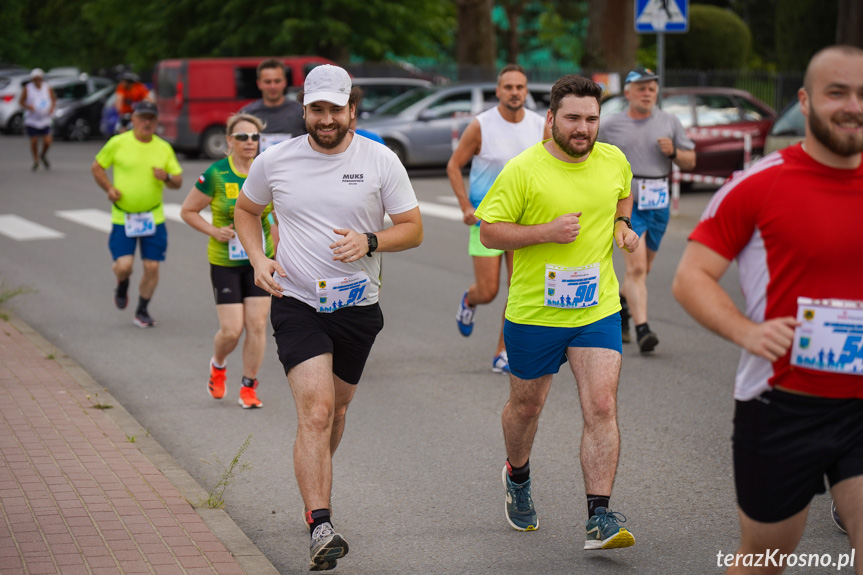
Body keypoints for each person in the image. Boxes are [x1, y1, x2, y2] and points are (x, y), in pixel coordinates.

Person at [673, 45, 863, 575]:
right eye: (837, 92)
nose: (853, 105)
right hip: (782, 405)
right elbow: (691, 277)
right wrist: (747, 331)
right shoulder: (759, 184)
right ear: (804, 101)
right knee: (765, 559)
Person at [234, 64, 423, 571]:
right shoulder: (276, 161)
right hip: (296, 302)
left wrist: (371, 240)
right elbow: (245, 211)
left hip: (358, 308)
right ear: (305, 110)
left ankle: (313, 478)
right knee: (315, 412)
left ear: (351, 110)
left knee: (336, 413)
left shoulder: (380, 160)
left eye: (335, 109)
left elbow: (413, 228)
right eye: (316, 109)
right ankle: (321, 522)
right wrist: (258, 259)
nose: (326, 118)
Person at [474, 74, 639, 550]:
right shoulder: (524, 170)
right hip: (534, 313)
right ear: (551, 119)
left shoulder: (613, 160)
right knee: (527, 407)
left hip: (597, 308)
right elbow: (489, 232)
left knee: (602, 406)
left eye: (591, 118)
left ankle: (599, 517)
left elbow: (622, 192)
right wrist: (543, 231)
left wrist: (623, 224)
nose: (583, 128)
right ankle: (518, 475)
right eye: (573, 118)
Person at [447, 64, 549, 374]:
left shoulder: (539, 125)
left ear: (526, 90)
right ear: (498, 91)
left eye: (520, 87)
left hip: (524, 221)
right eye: (509, 87)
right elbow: (454, 166)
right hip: (486, 219)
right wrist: (465, 205)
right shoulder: (481, 125)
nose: (515, 92)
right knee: (489, 290)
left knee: (517, 290)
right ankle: (470, 299)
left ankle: (503, 351)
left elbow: (550, 169)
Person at [598, 66, 695, 353]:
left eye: (652, 88)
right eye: (641, 88)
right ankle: (644, 330)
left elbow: (691, 161)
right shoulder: (610, 125)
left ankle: (622, 305)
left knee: (644, 269)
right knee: (637, 267)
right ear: (628, 93)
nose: (647, 93)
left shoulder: (670, 121)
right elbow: (588, 154)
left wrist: (674, 153)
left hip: (658, 203)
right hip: (628, 203)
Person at [180, 113, 274, 409]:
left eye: (255, 137)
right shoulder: (216, 173)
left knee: (257, 325)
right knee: (232, 330)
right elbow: (188, 211)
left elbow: (279, 216)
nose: (250, 143)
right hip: (226, 261)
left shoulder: (268, 171)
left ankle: (249, 386)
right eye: (243, 137)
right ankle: (218, 364)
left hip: (260, 259)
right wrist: (213, 230)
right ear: (230, 141)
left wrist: (279, 254)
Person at [91, 101, 183, 328]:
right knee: (124, 265)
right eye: (142, 117)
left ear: (156, 122)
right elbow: (97, 167)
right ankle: (122, 283)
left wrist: (167, 178)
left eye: (151, 118)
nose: (147, 122)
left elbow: (178, 181)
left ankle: (142, 309)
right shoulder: (118, 143)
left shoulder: (163, 147)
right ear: (132, 119)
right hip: (124, 216)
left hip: (153, 217)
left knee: (152, 267)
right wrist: (109, 189)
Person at [239, 58, 306, 152]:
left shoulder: (301, 112)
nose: (272, 86)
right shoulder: (247, 114)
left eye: (277, 81)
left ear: (284, 82)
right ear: (259, 84)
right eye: (268, 82)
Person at [19, 68, 56, 171]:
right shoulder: (28, 88)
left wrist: (52, 108)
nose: (37, 81)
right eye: (35, 79)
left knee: (48, 141)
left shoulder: (47, 87)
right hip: (32, 119)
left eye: (39, 78)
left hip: (45, 118)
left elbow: (53, 99)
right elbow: (21, 102)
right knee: (34, 140)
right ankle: (36, 160)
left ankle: (43, 155)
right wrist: (28, 107)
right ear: (32, 79)